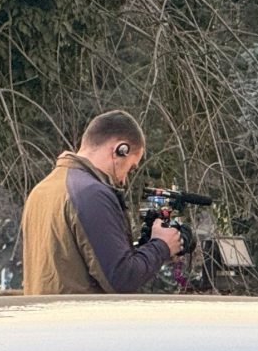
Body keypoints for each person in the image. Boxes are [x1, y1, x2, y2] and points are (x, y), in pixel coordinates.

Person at [21, 110, 182, 294]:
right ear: (120, 150)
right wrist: (162, 245)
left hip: (45, 311)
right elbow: (122, 278)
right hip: (82, 312)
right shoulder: (91, 193)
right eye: (130, 168)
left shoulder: (41, 191)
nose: (124, 180)